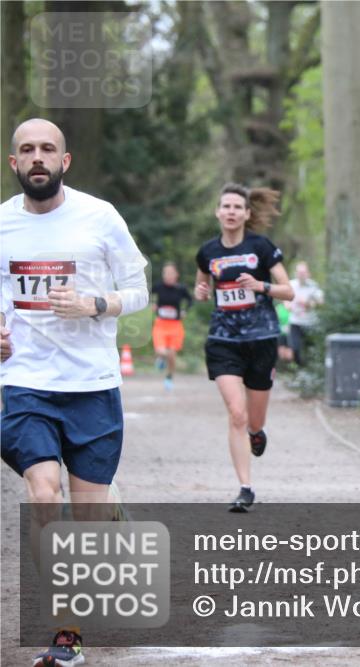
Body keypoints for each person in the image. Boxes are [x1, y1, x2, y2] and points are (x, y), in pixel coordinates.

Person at [1, 118, 149, 666]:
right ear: (13, 163)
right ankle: (67, 632)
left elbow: (138, 289)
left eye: (47, 149)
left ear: (65, 161)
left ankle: (107, 513)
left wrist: (95, 305)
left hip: (92, 386)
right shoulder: (1, 226)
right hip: (26, 384)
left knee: (86, 525)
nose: (37, 157)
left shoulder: (99, 217)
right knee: (43, 495)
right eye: (26, 150)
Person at [194, 183, 293, 512]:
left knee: (253, 419)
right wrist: (201, 292)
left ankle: (257, 430)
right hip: (223, 340)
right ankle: (245, 488)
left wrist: (260, 285)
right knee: (236, 413)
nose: (232, 212)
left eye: (238, 207)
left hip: (261, 338)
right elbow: (201, 283)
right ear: (218, 212)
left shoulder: (261, 247)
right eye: (227, 206)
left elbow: (288, 290)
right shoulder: (207, 252)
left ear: (247, 213)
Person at [151, 262, 192, 391]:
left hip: (175, 325)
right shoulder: (158, 287)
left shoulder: (181, 289)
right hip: (161, 324)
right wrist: (153, 304)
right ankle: (161, 358)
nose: (168, 275)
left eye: (170, 273)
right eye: (165, 273)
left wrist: (185, 310)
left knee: (172, 355)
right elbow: (147, 295)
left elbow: (191, 300)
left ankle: (169, 377)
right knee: (161, 351)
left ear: (176, 275)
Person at [287, 260, 324, 366]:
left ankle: (310, 369)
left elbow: (321, 301)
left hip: (310, 322)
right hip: (295, 321)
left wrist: (309, 303)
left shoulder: (313, 285)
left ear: (308, 273)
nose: (301, 275)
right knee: (295, 348)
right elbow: (285, 301)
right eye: (299, 272)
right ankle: (299, 368)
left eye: (303, 272)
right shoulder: (291, 284)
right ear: (296, 273)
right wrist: (288, 305)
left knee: (311, 347)